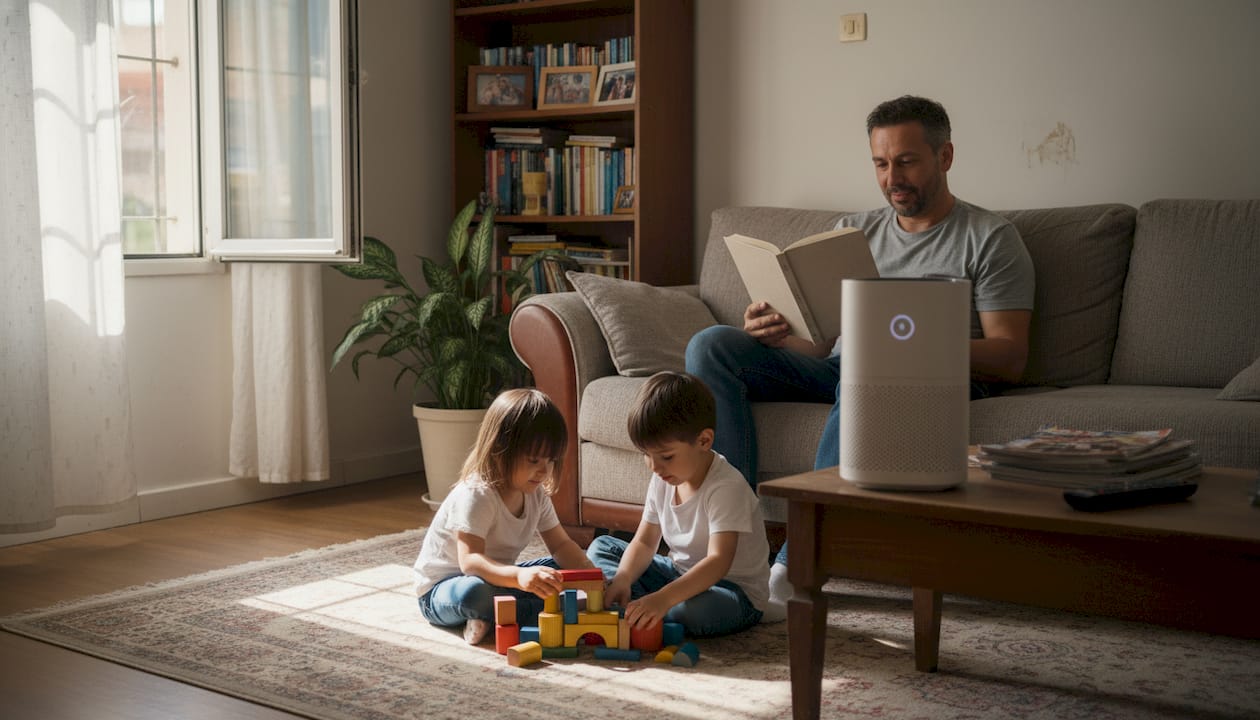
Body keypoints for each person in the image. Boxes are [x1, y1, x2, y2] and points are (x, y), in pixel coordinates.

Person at [685, 95, 1035, 611]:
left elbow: (1010, 357)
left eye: (907, 161)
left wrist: (905, 342)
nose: (893, 176)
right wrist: (777, 332)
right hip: (839, 365)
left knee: (868, 361)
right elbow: (820, 343)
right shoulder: (853, 232)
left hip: (929, 376)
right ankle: (738, 537)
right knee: (711, 345)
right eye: (880, 162)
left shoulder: (989, 238)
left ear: (945, 157)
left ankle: (799, 558)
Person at [586, 371, 772, 637]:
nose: (654, 466)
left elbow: (718, 561)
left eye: (666, 456)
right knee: (602, 547)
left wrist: (664, 598)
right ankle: (641, 603)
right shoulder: (663, 477)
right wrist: (624, 578)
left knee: (688, 613)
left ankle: (651, 606)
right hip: (677, 574)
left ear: (704, 441)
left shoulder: (726, 487)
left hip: (732, 591)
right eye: (646, 455)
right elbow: (645, 542)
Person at [413, 388, 596, 645]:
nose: (544, 470)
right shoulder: (477, 494)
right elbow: (471, 562)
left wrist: (590, 574)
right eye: (533, 460)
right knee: (475, 593)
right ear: (501, 450)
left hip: (499, 577)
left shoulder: (535, 494)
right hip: (445, 589)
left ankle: (506, 613)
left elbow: (561, 545)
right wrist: (520, 578)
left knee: (556, 570)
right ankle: (552, 611)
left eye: (550, 460)